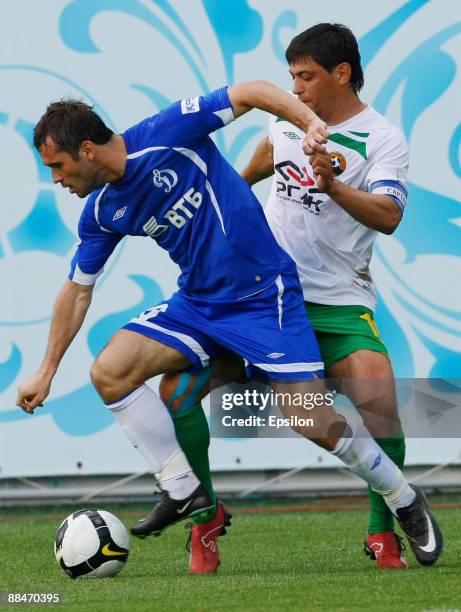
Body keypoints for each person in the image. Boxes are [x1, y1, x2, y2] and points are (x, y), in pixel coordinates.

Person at [16, 81, 442, 577]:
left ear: (86, 150)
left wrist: (309, 123)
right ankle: (182, 487)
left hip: (264, 298)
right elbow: (77, 289)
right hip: (198, 304)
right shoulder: (101, 211)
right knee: (110, 372)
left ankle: (402, 497)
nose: (57, 179)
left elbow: (253, 91)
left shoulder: (166, 132)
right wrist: (46, 372)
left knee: (309, 416)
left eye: (58, 166)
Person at [241, 22, 411, 570]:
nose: (296, 89)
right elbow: (254, 167)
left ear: (342, 73)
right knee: (181, 383)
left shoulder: (383, 138)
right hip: (272, 296)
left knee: (380, 405)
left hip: (341, 297)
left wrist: (333, 185)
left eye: (306, 76)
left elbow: (388, 216)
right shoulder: (287, 122)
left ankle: (382, 532)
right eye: (292, 76)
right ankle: (203, 520)